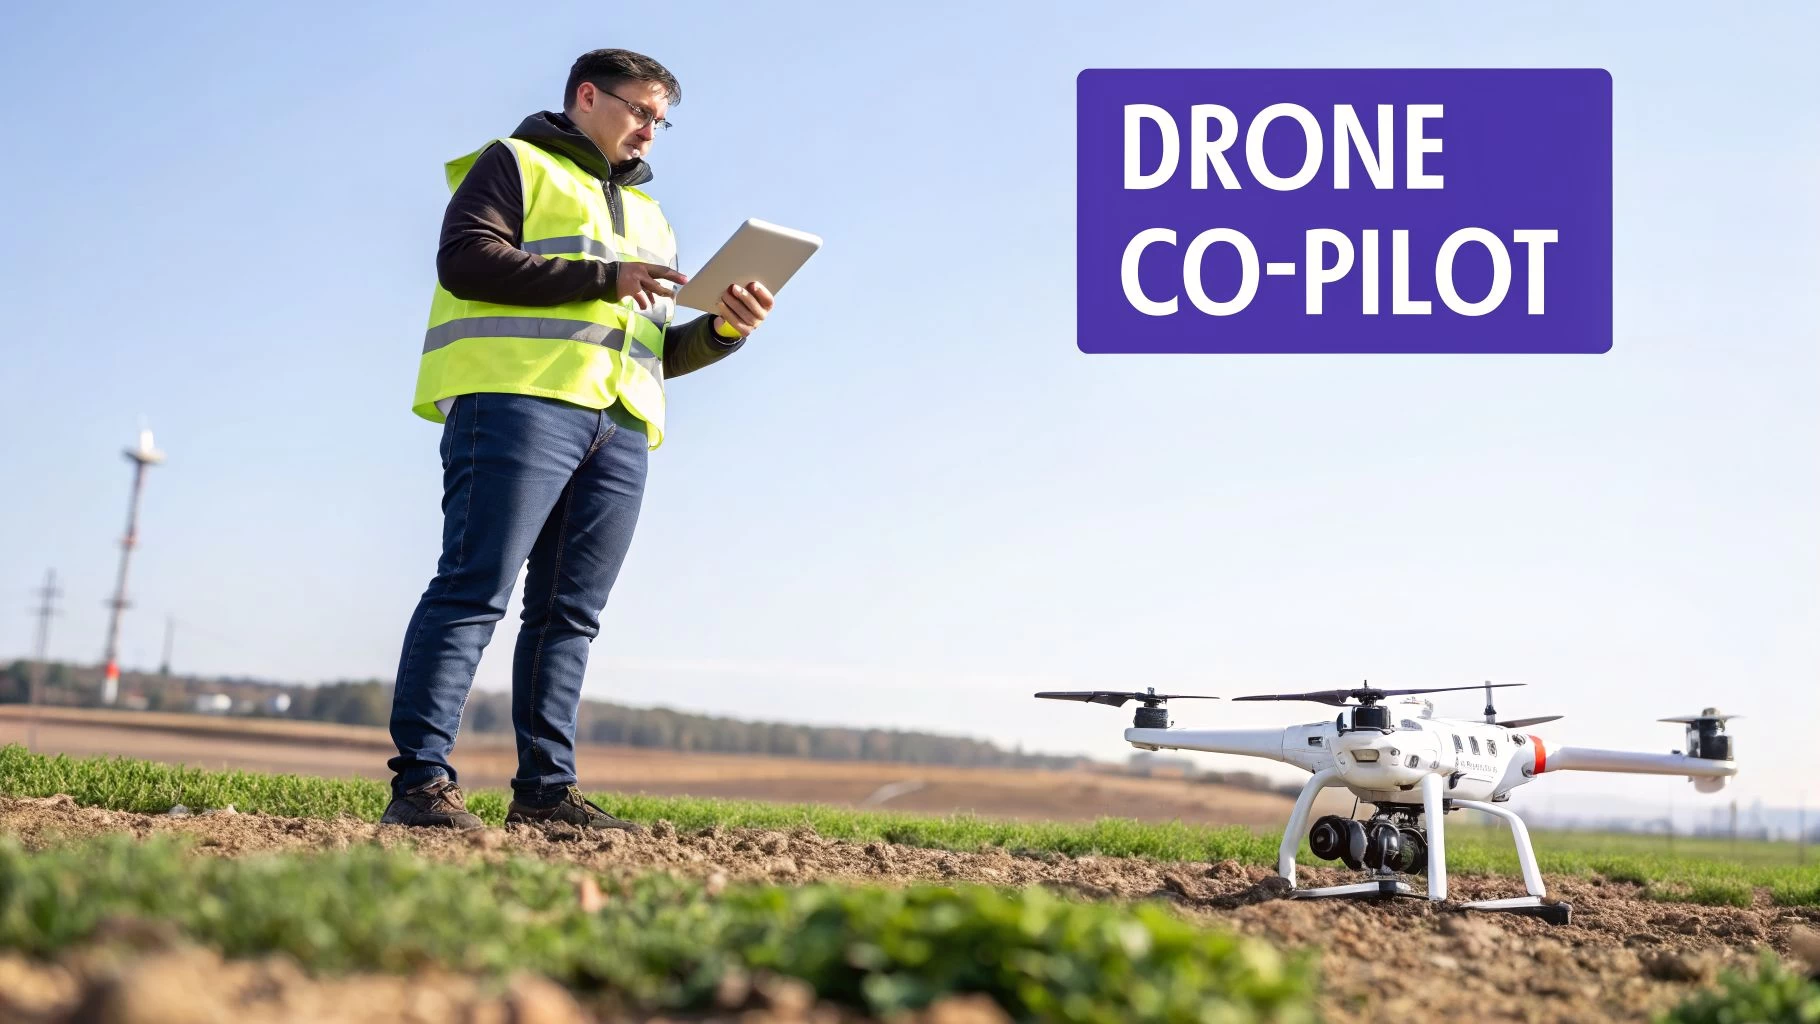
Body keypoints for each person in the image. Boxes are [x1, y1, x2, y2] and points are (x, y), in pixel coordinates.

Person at [381, 48, 775, 830]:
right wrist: (605, 278)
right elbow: (465, 261)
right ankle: (421, 785)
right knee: (472, 588)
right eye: (640, 112)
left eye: (662, 122)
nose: (650, 132)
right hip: (518, 403)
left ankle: (546, 793)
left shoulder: (655, 220)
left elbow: (652, 347)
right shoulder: (514, 162)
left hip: (621, 425)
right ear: (587, 96)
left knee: (570, 614)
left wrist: (726, 329)